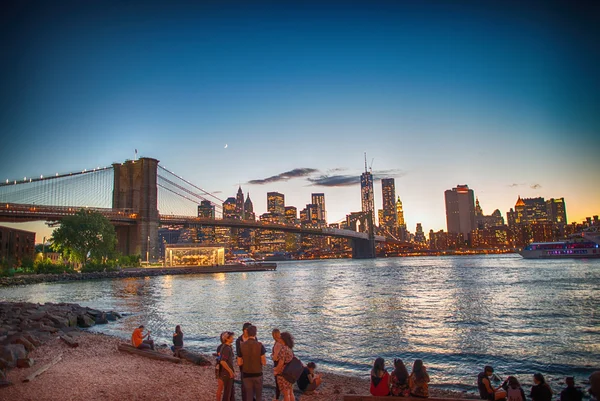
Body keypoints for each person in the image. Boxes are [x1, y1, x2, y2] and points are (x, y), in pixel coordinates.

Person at [237, 325, 267, 401]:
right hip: (257, 374)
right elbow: (264, 362)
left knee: (249, 397)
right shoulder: (260, 345)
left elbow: (239, 362)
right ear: (255, 333)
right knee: (258, 396)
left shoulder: (242, 345)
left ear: (247, 333)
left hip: (246, 374)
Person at [273, 332, 295, 401]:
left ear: (283, 339)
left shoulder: (283, 349)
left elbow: (281, 363)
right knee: (291, 392)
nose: (278, 339)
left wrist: (276, 370)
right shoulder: (289, 348)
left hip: (283, 374)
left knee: (286, 394)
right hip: (290, 373)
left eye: (280, 338)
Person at [236, 323, 252, 401]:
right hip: (243, 364)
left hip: (252, 364)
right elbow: (238, 353)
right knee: (244, 383)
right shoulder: (239, 340)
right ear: (244, 330)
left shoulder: (253, 338)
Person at [219, 331, 236, 401]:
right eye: (232, 337)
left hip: (227, 373)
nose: (233, 338)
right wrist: (230, 371)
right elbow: (223, 361)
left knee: (231, 392)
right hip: (226, 373)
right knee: (227, 393)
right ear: (227, 339)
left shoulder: (228, 347)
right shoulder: (226, 348)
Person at [272, 329, 284, 401]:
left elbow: (275, 357)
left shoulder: (277, 343)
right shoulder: (283, 342)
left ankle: (277, 398)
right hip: (283, 364)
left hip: (278, 364)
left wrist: (272, 356)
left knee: (278, 382)